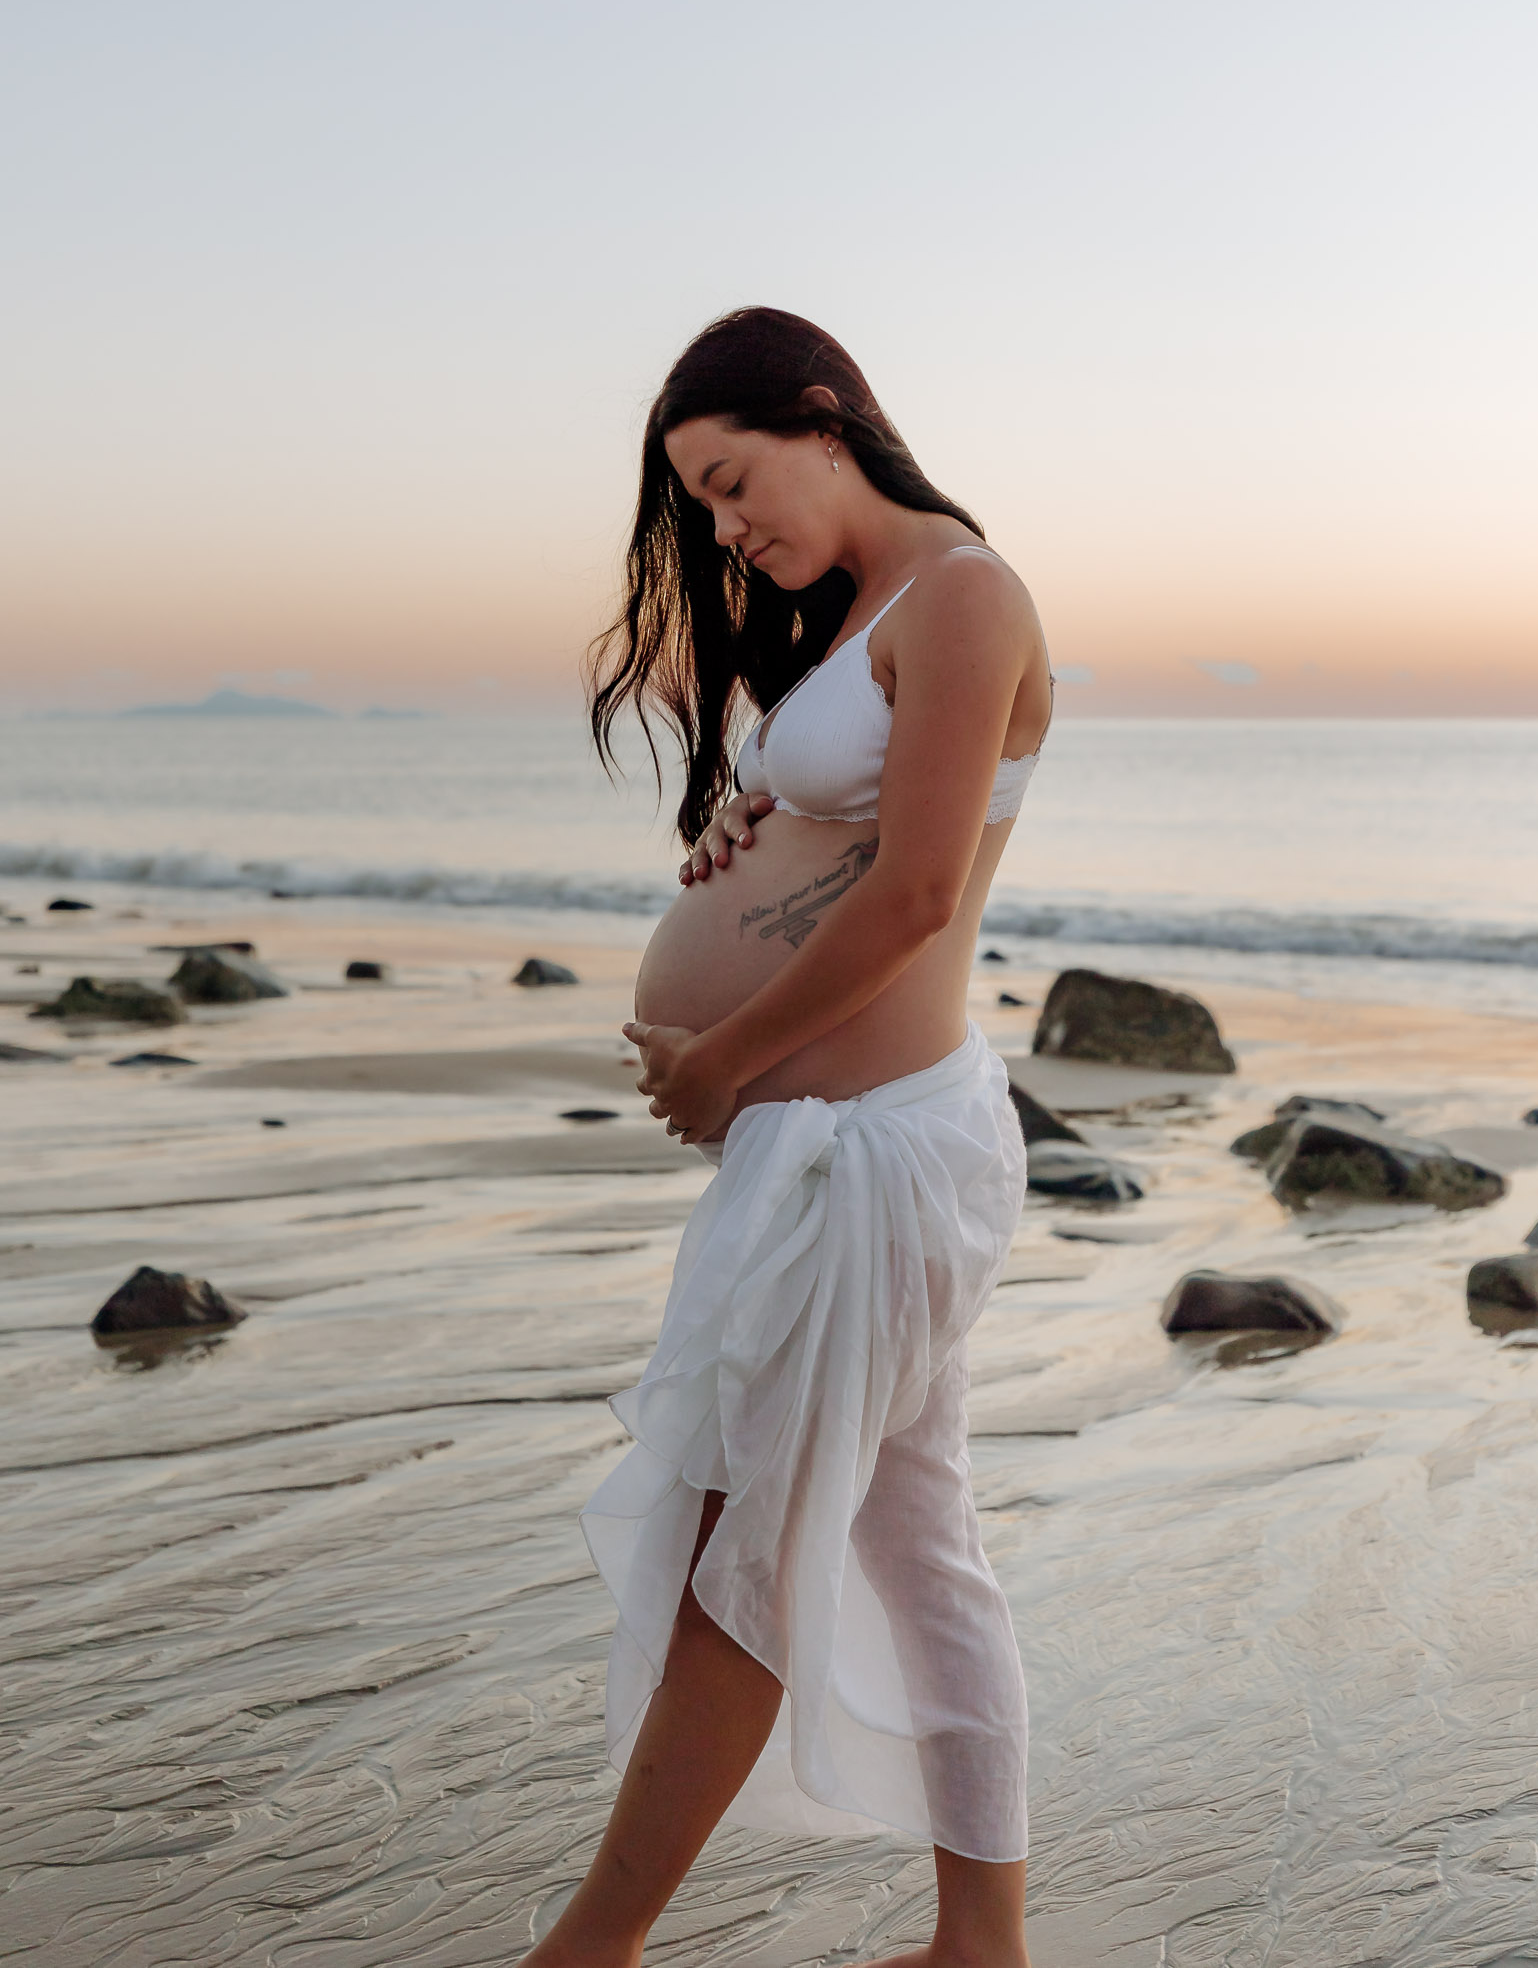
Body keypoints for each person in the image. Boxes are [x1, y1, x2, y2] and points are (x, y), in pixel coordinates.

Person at [519, 308, 1051, 1968]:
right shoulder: (872, 621)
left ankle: (590, 1949)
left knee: (739, 1538)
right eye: (705, 506)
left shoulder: (969, 595)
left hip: (877, 1148)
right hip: (842, 1145)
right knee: (915, 1545)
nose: (730, 529)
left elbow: (917, 893)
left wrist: (725, 1054)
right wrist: (756, 829)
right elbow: (854, 840)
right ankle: (985, 1948)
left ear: (827, 418)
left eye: (734, 482)